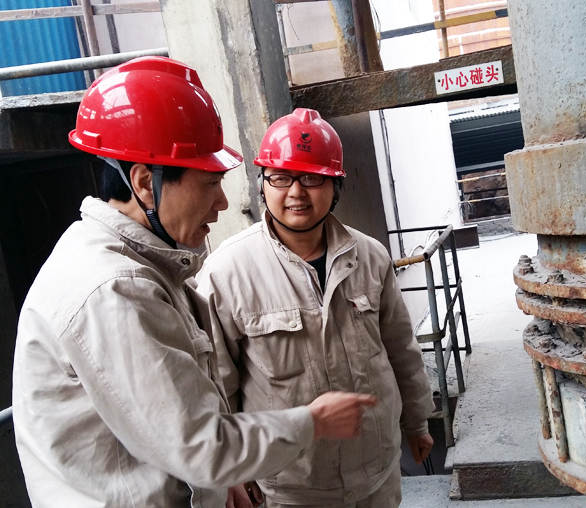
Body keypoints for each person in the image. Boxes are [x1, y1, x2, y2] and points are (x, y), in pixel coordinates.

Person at [12, 57, 376, 508]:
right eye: (209, 183)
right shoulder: (115, 290)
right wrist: (311, 422)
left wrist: (217, 483)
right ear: (146, 183)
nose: (222, 202)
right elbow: (201, 446)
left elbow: (176, 419)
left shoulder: (150, 268)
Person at [196, 108, 434, 508]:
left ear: (335, 186)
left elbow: (400, 348)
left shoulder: (369, 256)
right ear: (262, 183)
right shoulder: (227, 272)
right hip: (292, 484)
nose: (296, 192)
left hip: (376, 470)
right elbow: (217, 382)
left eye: (311, 178)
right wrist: (233, 469)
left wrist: (417, 420)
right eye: (281, 177)